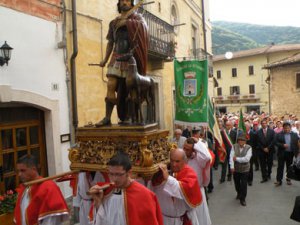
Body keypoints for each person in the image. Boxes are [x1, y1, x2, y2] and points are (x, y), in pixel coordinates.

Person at [95, 0, 148, 126]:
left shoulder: (137, 18)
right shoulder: (113, 23)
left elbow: (144, 29)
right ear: (119, 4)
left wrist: (128, 22)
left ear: (131, 4)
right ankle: (107, 117)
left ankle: (132, 117)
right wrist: (105, 59)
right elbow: (110, 42)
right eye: (122, 1)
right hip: (116, 56)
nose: (124, 3)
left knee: (131, 89)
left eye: (127, 1)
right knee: (110, 85)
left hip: (130, 57)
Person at [89, 151, 163, 225]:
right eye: (111, 174)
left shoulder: (144, 195)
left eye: (118, 174)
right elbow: (104, 220)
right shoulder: (108, 192)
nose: (114, 179)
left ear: (129, 173)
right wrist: (98, 202)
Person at [150, 148, 202, 225]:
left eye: (177, 161)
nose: (174, 164)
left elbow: (182, 190)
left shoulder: (189, 173)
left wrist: (168, 178)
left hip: (181, 220)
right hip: (164, 220)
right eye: (172, 160)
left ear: (184, 161)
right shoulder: (162, 173)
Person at [14, 155, 69, 225]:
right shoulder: (24, 188)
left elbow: (51, 220)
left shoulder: (48, 188)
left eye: (23, 170)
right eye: (18, 171)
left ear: (33, 169)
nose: (19, 174)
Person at [183, 138, 212, 225]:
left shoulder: (199, 159)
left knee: (200, 217)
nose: (184, 150)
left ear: (194, 149)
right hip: (185, 192)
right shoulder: (182, 158)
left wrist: (197, 142)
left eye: (187, 149)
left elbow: (207, 156)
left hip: (197, 192)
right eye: (184, 148)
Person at [229, 134, 252, 206]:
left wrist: (237, 159)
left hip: (245, 169)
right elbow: (231, 157)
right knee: (237, 183)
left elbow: (246, 159)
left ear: (245, 141)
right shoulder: (234, 146)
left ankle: (243, 199)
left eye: (242, 140)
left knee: (244, 184)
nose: (241, 142)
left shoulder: (249, 148)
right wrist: (232, 166)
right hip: (236, 169)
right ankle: (239, 193)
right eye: (239, 140)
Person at [274, 122, 299, 186]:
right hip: (282, 153)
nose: (287, 130)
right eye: (285, 128)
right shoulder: (279, 134)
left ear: (290, 128)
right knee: (280, 167)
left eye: (288, 128)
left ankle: (288, 179)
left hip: (290, 153)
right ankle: (279, 180)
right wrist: (282, 145)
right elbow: (276, 142)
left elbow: (298, 143)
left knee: (289, 167)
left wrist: (297, 152)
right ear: (283, 128)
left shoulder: (295, 134)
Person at [256, 119, 276, 183]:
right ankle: (264, 177)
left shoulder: (272, 131)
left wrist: (268, 148)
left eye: (265, 123)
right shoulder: (258, 132)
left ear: (266, 124)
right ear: (261, 124)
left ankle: (269, 173)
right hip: (262, 151)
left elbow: (273, 141)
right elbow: (258, 142)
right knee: (262, 164)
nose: (264, 124)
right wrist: (263, 148)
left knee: (269, 163)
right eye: (262, 123)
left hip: (270, 150)